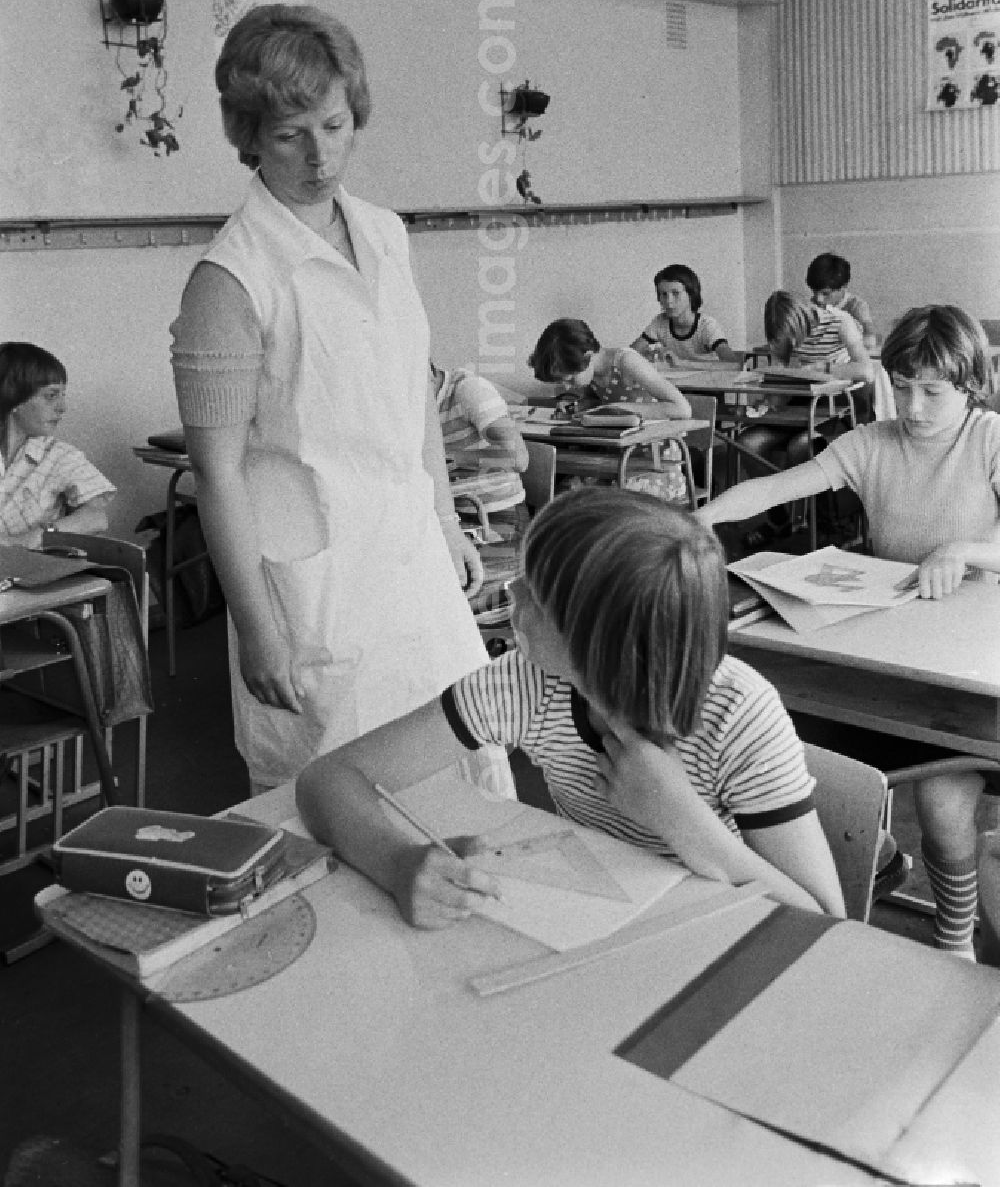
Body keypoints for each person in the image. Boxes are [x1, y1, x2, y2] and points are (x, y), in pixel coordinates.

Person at [170, 4, 509, 795]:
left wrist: (446, 518)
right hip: (313, 590)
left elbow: (414, 390)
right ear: (248, 136)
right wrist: (257, 628)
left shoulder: (387, 234)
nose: (320, 156)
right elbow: (215, 474)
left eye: (333, 124)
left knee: (468, 769)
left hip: (415, 564)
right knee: (338, 802)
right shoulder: (230, 277)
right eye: (290, 135)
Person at [296, 487, 846, 926]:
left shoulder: (739, 715)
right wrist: (397, 864)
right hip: (604, 930)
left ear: (601, 643)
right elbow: (329, 779)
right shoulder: (526, 684)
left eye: (536, 593)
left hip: (716, 950)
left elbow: (829, 924)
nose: (511, 592)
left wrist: (685, 823)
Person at [698, 304, 1000, 959]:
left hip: (965, 666)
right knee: (805, 765)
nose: (914, 407)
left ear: (972, 385)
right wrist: (705, 517)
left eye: (933, 391)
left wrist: (967, 551)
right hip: (880, 647)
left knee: (948, 817)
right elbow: (782, 485)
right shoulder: (872, 442)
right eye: (903, 385)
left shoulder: (989, 438)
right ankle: (878, 856)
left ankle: (953, 939)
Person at [738, 290, 873, 479]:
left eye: (795, 335)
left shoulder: (840, 322)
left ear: (804, 319)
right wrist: (767, 401)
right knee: (747, 443)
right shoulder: (782, 334)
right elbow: (780, 379)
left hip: (835, 410)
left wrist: (822, 368)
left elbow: (866, 372)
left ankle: (815, 509)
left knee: (801, 446)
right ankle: (778, 506)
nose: (793, 343)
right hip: (798, 408)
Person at [0, 341, 114, 548]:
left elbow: (96, 517)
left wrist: (38, 536)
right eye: (51, 396)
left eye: (63, 395)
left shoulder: (59, 455)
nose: (62, 408)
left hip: (33, 571)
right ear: (14, 397)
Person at [528, 319, 692, 415]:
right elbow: (597, 402)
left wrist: (618, 409)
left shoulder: (627, 361)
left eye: (570, 379)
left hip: (656, 456)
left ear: (588, 356)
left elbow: (682, 409)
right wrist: (578, 406)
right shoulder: (591, 375)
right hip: (619, 453)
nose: (567, 386)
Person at [632, 263, 742, 365]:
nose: (668, 300)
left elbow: (732, 364)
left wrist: (681, 363)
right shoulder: (660, 322)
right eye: (663, 294)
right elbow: (629, 354)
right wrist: (647, 356)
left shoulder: (706, 325)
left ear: (691, 294)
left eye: (675, 293)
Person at [431, 360, 529, 474]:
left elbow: (517, 459)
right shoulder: (411, 406)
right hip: (443, 488)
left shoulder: (471, 389)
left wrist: (446, 459)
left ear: (430, 372)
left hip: (487, 488)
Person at [805, 253, 878, 351]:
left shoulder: (856, 306)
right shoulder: (811, 306)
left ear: (843, 287)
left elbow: (870, 340)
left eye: (826, 293)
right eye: (814, 291)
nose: (818, 299)